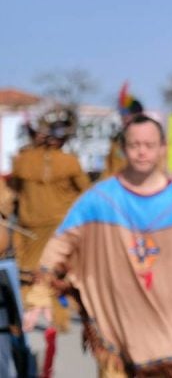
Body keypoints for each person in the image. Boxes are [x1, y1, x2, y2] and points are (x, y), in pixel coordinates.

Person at [25, 115, 172, 376]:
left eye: (149, 144)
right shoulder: (99, 199)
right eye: (135, 145)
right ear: (124, 148)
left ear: (162, 148)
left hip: (161, 322)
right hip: (112, 319)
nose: (142, 151)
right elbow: (62, 241)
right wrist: (40, 292)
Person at [9, 107, 90, 335]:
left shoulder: (22, 160)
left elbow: (14, 191)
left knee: (27, 274)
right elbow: (86, 193)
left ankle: (28, 317)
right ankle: (51, 318)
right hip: (57, 227)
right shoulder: (70, 162)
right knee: (51, 274)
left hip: (28, 227)